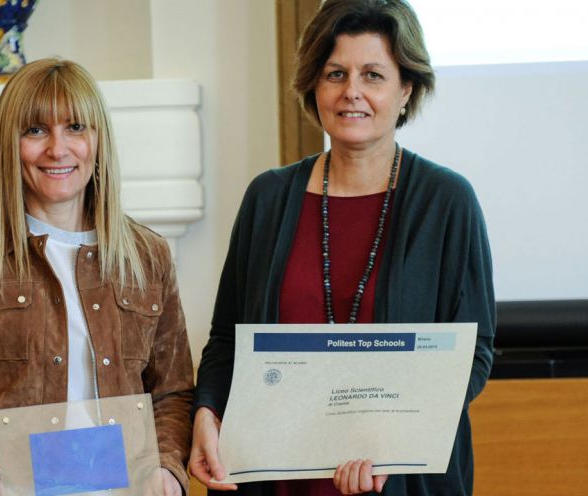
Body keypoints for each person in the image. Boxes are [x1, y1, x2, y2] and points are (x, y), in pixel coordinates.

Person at [189, 1, 495, 495]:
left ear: (406, 89)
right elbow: (227, 339)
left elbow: (472, 353)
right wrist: (207, 411)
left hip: (397, 481)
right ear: (315, 85)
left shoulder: (447, 202)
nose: (352, 91)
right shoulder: (267, 198)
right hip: (277, 480)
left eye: (373, 75)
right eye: (336, 73)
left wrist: (397, 443)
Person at [0, 58, 194, 496]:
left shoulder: (148, 256)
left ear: (98, 140)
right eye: (35, 130)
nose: (57, 149)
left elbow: (173, 394)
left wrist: (167, 469)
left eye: (75, 127)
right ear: (9, 145)